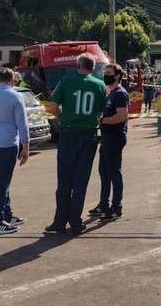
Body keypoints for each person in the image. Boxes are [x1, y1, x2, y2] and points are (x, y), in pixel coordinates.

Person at [44, 53, 106, 237]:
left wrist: (62, 119)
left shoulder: (66, 80)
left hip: (69, 133)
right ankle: (76, 222)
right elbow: (101, 111)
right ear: (93, 67)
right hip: (89, 134)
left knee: (65, 179)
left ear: (77, 65)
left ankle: (60, 221)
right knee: (81, 179)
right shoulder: (100, 85)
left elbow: (53, 105)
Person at [0, 68, 31, 235]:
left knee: (2, 181)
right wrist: (26, 147)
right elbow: (22, 124)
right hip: (8, 145)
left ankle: (7, 215)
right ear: (12, 80)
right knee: (2, 184)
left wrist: (0, 75)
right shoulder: (15, 96)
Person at [88, 63, 129, 222]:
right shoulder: (108, 92)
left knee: (114, 173)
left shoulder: (120, 94)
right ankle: (104, 204)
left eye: (109, 73)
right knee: (103, 172)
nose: (105, 75)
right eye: (105, 72)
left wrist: (102, 121)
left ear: (117, 76)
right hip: (106, 137)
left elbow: (121, 116)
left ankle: (116, 206)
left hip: (115, 137)